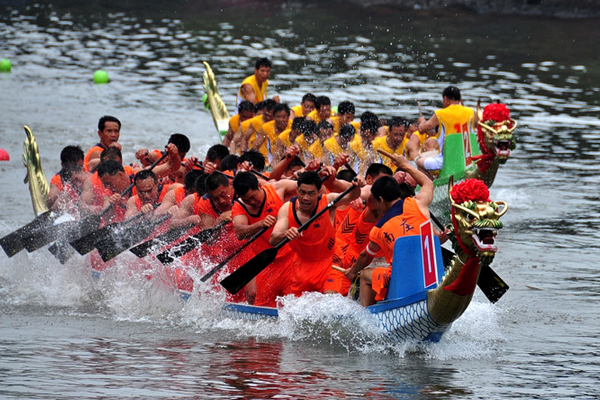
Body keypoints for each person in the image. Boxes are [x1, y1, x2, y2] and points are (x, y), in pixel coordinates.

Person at [343, 154, 434, 306]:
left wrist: (352, 271)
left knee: (365, 275)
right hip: (427, 272)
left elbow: (366, 256)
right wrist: (405, 165)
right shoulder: (419, 203)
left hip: (401, 277)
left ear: (381, 200)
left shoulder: (379, 229)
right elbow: (428, 184)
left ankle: (369, 317)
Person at [269, 170, 364, 296]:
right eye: (302, 192)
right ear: (297, 190)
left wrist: (357, 185)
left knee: (329, 301)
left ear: (319, 192)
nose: (305, 198)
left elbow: (351, 196)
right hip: (302, 266)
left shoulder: (328, 201)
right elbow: (273, 239)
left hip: (330, 262)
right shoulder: (287, 208)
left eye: (311, 193)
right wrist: (285, 234)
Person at [231, 171, 300, 306]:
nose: (252, 202)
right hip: (266, 263)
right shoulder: (239, 206)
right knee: (255, 298)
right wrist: (260, 224)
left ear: (259, 185)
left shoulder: (278, 188)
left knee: (293, 303)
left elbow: (309, 189)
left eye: (253, 196)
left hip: (291, 257)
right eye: (247, 200)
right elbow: (240, 233)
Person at [408, 86, 478, 177]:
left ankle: (431, 185)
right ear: (460, 99)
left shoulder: (440, 114)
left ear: (445, 99)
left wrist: (422, 121)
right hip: (470, 160)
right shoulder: (472, 112)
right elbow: (479, 127)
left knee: (419, 162)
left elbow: (422, 129)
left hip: (446, 161)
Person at [47, 145, 90, 213]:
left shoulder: (88, 175)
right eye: (72, 167)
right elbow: (50, 201)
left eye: (78, 168)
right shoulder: (58, 179)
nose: (74, 173)